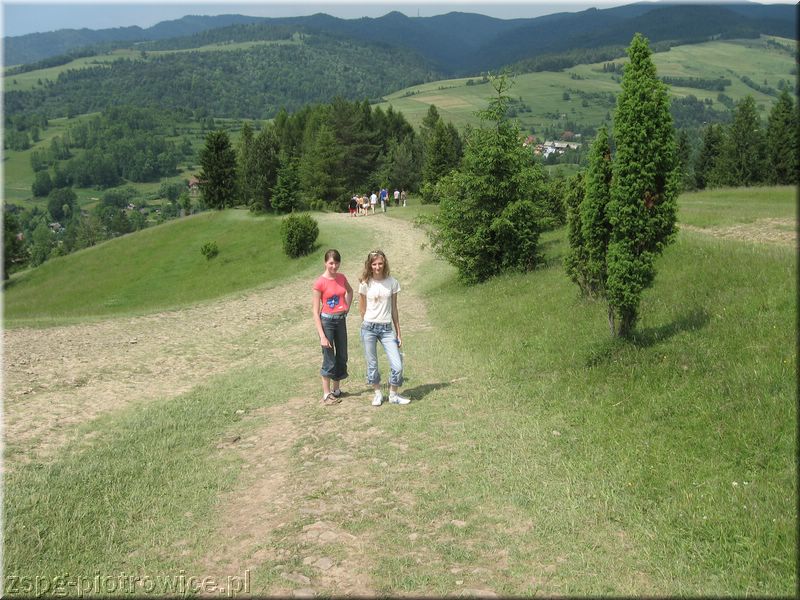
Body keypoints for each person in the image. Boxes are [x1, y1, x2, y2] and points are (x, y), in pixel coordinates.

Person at [358, 249, 410, 406]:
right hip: (369, 328)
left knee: (397, 364)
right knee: (372, 364)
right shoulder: (365, 283)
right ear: (369, 265)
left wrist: (398, 332)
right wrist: (367, 323)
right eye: (374, 264)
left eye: (380, 263)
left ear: (384, 263)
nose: (377, 267)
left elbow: (394, 309)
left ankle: (393, 394)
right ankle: (377, 393)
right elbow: (362, 308)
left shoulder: (392, 282)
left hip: (387, 329)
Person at [312, 249, 353, 406]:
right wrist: (322, 335)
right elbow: (315, 312)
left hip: (341, 320)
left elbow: (349, 291)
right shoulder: (319, 283)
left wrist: (347, 307)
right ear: (325, 263)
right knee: (329, 356)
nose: (334, 266)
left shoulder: (342, 278)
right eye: (331, 263)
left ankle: (336, 390)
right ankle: (326, 394)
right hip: (327, 322)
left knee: (342, 355)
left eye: (336, 263)